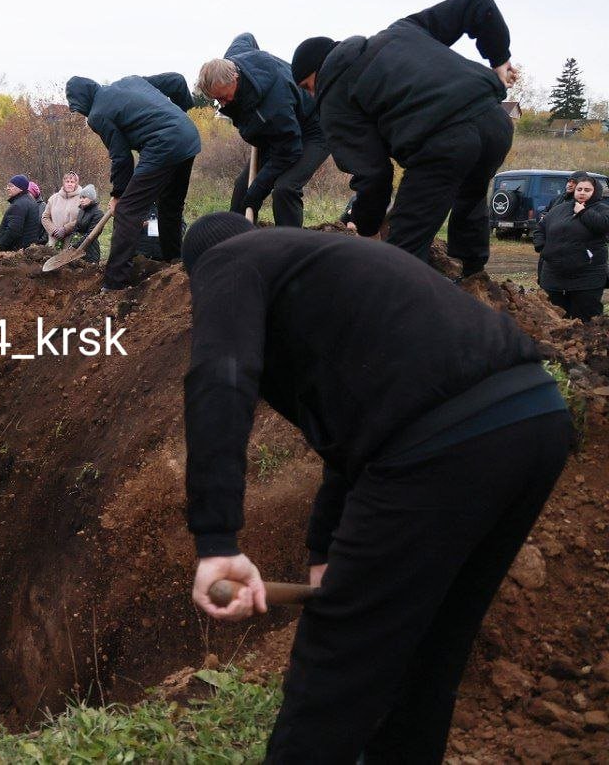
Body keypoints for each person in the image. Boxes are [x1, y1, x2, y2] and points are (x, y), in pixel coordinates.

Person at [179, 212, 571, 763]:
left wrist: (216, 540)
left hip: (442, 445)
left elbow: (219, 379)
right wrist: (325, 552)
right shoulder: (324, 274)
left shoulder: (227, 262)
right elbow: (353, 440)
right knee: (432, 653)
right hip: (535, 420)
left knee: (336, 669)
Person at [291, 0, 519, 277]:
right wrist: (500, 59)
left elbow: (373, 175)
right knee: (471, 195)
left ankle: (408, 307)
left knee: (403, 250)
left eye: (307, 87)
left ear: (317, 72)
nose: (312, 96)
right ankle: (472, 276)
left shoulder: (333, 94)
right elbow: (477, 2)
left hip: (444, 141)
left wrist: (368, 228)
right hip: (495, 121)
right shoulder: (401, 33)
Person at [65, 72, 201, 290]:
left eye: (79, 109)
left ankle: (115, 283)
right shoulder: (131, 81)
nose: (82, 114)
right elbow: (176, 80)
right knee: (170, 206)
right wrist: (180, 115)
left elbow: (121, 157)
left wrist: (118, 195)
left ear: (82, 101)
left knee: (127, 211)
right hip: (188, 136)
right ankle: (174, 263)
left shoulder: (98, 114)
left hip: (162, 145)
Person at [197, 34, 329, 227]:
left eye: (224, 97)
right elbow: (246, 37)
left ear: (235, 77)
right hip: (277, 134)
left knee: (285, 188)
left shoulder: (274, 104)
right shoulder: (233, 59)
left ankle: (291, 248)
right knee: (243, 190)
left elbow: (288, 150)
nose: (222, 103)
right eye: (217, 99)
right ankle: (237, 244)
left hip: (314, 128)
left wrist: (258, 189)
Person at [533, 174, 608, 321]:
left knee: (587, 321)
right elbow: (540, 228)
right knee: (555, 319)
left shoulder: (602, 209)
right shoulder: (559, 209)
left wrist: (583, 212)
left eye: (587, 190)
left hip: (586, 277)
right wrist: (543, 247)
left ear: (595, 192)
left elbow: (603, 226)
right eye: (579, 189)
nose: (582, 192)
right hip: (554, 276)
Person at [0, 174, 44, 252]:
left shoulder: (18, 205)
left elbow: (13, 230)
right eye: (8, 186)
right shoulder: (31, 201)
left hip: (17, 251)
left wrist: (2, 245)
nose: (8, 188)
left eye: (11, 186)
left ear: (20, 188)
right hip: (28, 250)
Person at [42, 171, 83, 246]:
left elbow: (83, 218)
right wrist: (54, 231)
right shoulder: (53, 198)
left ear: (76, 184)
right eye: (67, 181)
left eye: (72, 182)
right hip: (54, 240)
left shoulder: (81, 199)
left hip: (72, 240)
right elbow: (45, 217)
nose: (69, 184)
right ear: (63, 183)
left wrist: (65, 229)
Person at [69, 184, 104, 262]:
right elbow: (76, 229)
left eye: (84, 197)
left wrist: (75, 245)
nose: (81, 200)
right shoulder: (81, 211)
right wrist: (72, 243)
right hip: (78, 247)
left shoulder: (98, 213)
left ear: (91, 198)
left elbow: (92, 234)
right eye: (80, 197)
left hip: (91, 250)